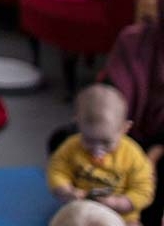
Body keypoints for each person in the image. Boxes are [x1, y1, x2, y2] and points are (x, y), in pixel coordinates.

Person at [48, 84, 155, 224]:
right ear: (77, 124)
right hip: (81, 210)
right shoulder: (71, 147)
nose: (97, 149)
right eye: (89, 140)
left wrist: (120, 203)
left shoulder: (133, 155)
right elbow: (57, 169)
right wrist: (65, 189)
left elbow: (144, 189)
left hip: (123, 217)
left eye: (106, 142)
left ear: (125, 128)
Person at [104, 0, 164, 226]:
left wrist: (154, 155)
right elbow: (111, 97)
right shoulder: (134, 40)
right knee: (69, 139)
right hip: (127, 135)